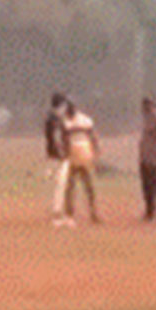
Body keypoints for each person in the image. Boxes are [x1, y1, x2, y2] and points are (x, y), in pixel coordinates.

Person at [58, 98, 100, 226]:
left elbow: (64, 139)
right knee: (86, 186)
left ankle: (71, 213)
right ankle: (92, 213)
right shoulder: (85, 120)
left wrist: (64, 154)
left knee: (73, 186)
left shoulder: (66, 122)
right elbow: (93, 136)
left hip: (76, 154)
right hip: (83, 153)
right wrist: (96, 150)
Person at [43, 92, 71, 220]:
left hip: (52, 154)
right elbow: (55, 137)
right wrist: (61, 153)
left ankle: (57, 210)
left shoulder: (51, 117)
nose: (65, 108)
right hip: (57, 155)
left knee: (58, 183)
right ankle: (57, 212)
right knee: (60, 184)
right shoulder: (54, 119)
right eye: (64, 105)